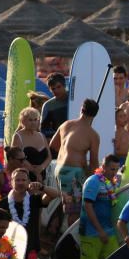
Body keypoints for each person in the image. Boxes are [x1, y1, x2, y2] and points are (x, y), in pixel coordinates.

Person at [51, 98, 100, 228]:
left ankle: (54, 232)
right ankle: (70, 240)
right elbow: (94, 164)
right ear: (95, 115)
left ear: (81, 109)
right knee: (75, 211)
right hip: (74, 173)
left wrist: (70, 153)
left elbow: (53, 145)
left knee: (64, 204)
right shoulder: (92, 135)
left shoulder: (66, 124)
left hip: (59, 169)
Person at [80, 154, 121, 259]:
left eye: (116, 169)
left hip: (108, 230)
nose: (114, 173)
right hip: (91, 232)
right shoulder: (93, 182)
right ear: (103, 167)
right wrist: (100, 231)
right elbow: (88, 206)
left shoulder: (110, 182)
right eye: (112, 169)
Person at [12, 107, 51, 183]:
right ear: (22, 121)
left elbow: (49, 157)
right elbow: (17, 159)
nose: (33, 122)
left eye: (35, 119)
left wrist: (41, 168)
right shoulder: (18, 136)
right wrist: (35, 172)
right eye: (30, 120)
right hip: (24, 179)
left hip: (42, 177)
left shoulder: (41, 136)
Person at [40, 73, 68, 140]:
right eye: (53, 89)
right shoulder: (48, 106)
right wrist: (59, 133)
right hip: (59, 142)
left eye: (58, 87)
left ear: (64, 86)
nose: (56, 91)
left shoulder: (75, 100)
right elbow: (43, 130)